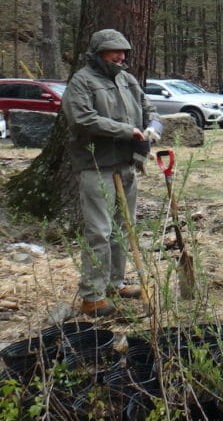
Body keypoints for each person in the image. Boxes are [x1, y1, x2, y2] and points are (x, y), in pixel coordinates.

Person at [64, 29, 162, 316]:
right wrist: (126, 131)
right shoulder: (82, 81)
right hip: (96, 166)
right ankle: (92, 296)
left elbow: (148, 107)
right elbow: (82, 119)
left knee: (124, 227)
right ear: (98, 53)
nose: (121, 57)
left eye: (123, 52)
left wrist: (154, 126)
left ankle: (115, 283)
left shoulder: (126, 79)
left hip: (126, 163)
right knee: (99, 231)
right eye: (114, 52)